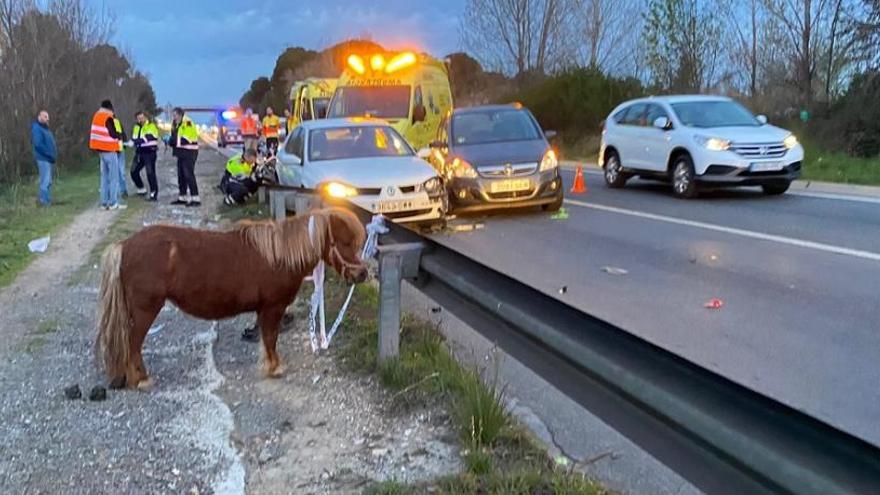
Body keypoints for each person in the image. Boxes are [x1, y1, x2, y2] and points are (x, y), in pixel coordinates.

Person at [89, 100, 126, 210]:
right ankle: (113, 202)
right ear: (110, 108)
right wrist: (119, 138)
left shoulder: (96, 116)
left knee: (104, 177)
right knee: (113, 177)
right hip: (109, 149)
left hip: (100, 150)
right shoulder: (108, 117)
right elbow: (113, 133)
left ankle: (104, 202)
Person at [169, 107, 200, 206]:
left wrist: (171, 141)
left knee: (189, 175)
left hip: (189, 152)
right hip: (181, 153)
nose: (174, 118)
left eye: (175, 115)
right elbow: (176, 138)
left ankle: (195, 198)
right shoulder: (177, 124)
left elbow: (185, 140)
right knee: (181, 175)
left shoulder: (188, 123)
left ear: (180, 114)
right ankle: (182, 197)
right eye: (173, 116)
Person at [130, 111, 160, 200]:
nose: (140, 120)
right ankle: (141, 189)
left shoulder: (151, 126)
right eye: (138, 118)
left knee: (150, 173)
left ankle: (153, 193)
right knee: (133, 171)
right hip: (139, 152)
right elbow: (134, 137)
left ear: (146, 117)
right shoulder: (136, 127)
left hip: (150, 152)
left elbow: (147, 138)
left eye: (142, 117)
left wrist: (134, 141)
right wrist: (132, 141)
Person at [30, 110, 57, 206]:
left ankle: (46, 199)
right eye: (45, 116)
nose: (47, 119)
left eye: (47, 117)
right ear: (39, 116)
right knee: (45, 180)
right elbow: (38, 144)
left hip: (47, 158)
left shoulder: (45, 128)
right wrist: (49, 154)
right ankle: (44, 201)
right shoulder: (37, 129)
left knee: (47, 180)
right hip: (43, 158)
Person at [113, 116, 129, 197]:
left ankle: (123, 190)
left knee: (120, 171)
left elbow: (121, 134)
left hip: (118, 149)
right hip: (115, 150)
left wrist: (124, 143)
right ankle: (120, 191)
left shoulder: (116, 122)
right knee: (119, 172)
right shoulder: (115, 122)